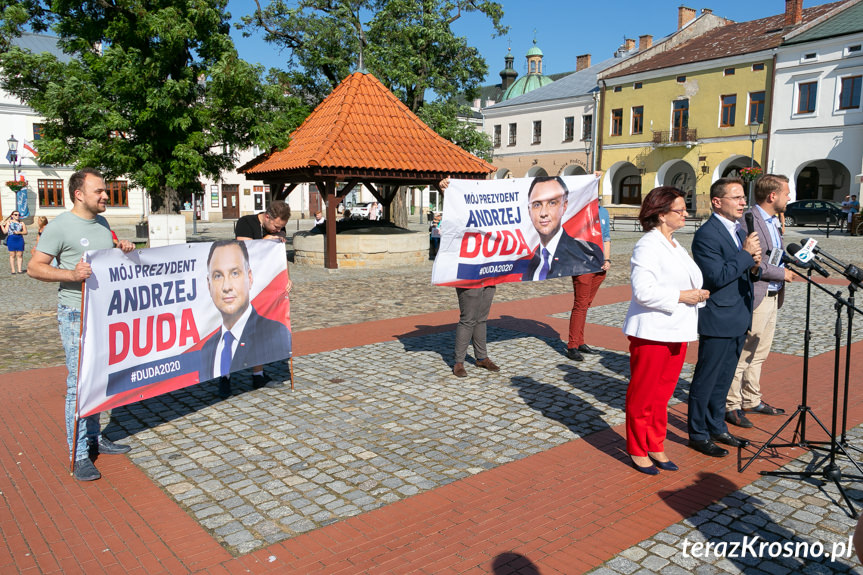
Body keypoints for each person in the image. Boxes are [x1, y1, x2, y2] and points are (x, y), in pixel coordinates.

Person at [27, 168, 136, 481]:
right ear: (79, 194)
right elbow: (35, 268)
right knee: (79, 384)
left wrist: (122, 248)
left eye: (105, 191)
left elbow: (105, 257)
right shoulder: (60, 226)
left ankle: (94, 437)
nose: (106, 196)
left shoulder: (101, 222)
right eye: (99, 191)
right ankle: (77, 453)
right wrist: (71, 275)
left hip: (104, 314)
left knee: (99, 379)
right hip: (76, 315)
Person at [623, 187, 709, 475]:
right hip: (653, 332)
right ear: (661, 214)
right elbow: (642, 291)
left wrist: (697, 293)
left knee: (662, 395)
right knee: (643, 394)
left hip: (677, 330)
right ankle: (637, 448)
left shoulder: (674, 244)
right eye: (680, 210)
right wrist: (683, 296)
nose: (686, 213)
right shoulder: (648, 245)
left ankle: (655, 444)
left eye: (685, 209)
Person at [687, 177, 761, 458]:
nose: (743, 202)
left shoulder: (740, 231)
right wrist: (745, 256)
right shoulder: (707, 234)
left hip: (738, 315)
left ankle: (717, 426)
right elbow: (716, 277)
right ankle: (697, 433)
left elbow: (743, 270)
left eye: (744, 197)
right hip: (718, 317)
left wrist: (753, 266)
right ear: (717, 202)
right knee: (707, 378)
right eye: (737, 197)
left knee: (724, 379)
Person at [726, 175, 794, 429]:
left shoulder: (774, 221)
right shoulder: (750, 220)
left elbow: (776, 255)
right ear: (772, 196)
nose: (790, 198)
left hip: (774, 293)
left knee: (760, 352)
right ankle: (730, 403)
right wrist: (781, 273)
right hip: (758, 293)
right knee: (744, 352)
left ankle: (751, 399)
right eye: (786, 193)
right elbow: (752, 261)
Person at [221, 201, 294, 396]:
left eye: (281, 227)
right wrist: (269, 238)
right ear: (267, 217)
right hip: (240, 284)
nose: (279, 230)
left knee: (258, 329)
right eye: (276, 226)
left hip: (265, 286)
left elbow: (279, 254)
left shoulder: (278, 227)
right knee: (231, 330)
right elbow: (245, 248)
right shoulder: (246, 222)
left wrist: (286, 277)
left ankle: (258, 374)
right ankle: (225, 376)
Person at [200, 240, 293, 389]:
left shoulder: (275, 330)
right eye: (218, 276)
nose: (226, 287)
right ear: (208, 284)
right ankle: (224, 377)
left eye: (235, 273)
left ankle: (258, 375)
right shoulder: (207, 348)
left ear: (249, 278)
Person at [440, 178, 500, 378]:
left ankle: (481, 357)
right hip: (468, 271)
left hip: (489, 271)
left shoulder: (495, 214)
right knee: (468, 319)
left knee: (481, 319)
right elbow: (451, 212)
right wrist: (446, 191)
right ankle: (458, 362)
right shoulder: (461, 213)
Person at [522, 176, 604, 281]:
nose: (543, 213)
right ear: (529, 211)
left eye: (552, 203)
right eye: (537, 205)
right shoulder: (529, 260)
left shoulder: (586, 252)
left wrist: (594, 178)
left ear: (564, 206)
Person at [566, 193, 611, 361]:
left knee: (586, 305)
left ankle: (580, 341)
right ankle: (572, 346)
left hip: (599, 265)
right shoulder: (577, 213)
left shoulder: (603, 212)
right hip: (582, 265)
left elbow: (606, 237)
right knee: (580, 304)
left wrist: (607, 259)